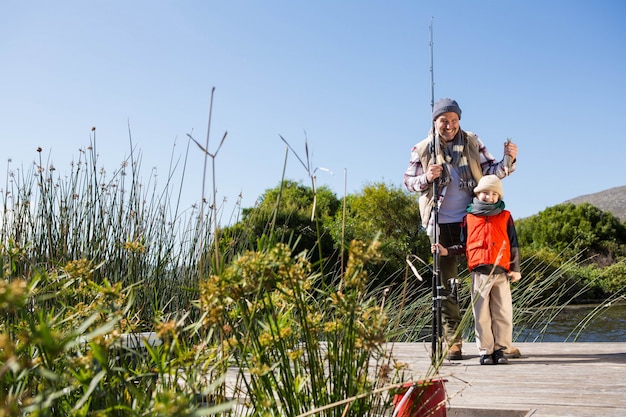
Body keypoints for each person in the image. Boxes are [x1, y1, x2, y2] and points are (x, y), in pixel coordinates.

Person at [403, 97, 520, 360]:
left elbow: (491, 172)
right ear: (435, 122)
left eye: (454, 120)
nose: (450, 126)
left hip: (474, 220)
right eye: (444, 121)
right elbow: (408, 182)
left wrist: (508, 160)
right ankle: (453, 341)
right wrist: (427, 177)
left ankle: (500, 344)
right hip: (439, 223)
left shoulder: (472, 141)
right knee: (448, 285)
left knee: (487, 281)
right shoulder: (421, 149)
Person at [433, 175, 521, 365]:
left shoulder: (505, 216)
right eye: (485, 193)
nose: (490, 197)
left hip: (501, 273)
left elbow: (514, 245)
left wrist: (516, 269)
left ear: (499, 196)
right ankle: (486, 352)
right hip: (479, 274)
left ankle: (502, 350)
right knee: (481, 315)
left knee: (503, 313)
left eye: (494, 194)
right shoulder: (468, 218)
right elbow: (464, 246)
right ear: (477, 194)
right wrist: (446, 250)